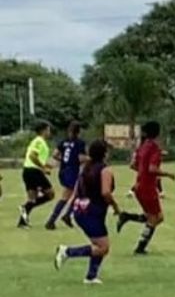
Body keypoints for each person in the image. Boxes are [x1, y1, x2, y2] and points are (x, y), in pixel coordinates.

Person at [54, 140, 120, 284]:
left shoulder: (85, 168)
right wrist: (115, 207)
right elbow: (106, 193)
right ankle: (67, 252)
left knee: (98, 245)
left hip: (82, 210)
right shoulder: (105, 170)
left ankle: (91, 276)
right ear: (104, 153)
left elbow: (77, 191)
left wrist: (68, 212)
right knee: (103, 247)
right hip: (93, 212)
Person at [116, 121, 175, 255]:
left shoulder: (142, 146)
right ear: (158, 133)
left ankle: (126, 216)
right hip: (147, 188)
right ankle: (140, 248)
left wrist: (142, 173)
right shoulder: (154, 148)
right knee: (156, 218)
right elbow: (152, 168)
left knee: (154, 217)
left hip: (139, 186)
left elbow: (132, 165)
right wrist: (167, 174)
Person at [45, 121, 88, 230]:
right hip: (72, 171)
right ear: (79, 131)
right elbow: (81, 158)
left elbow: (55, 155)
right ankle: (56, 219)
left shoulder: (63, 142)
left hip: (63, 171)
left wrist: (64, 161)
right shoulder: (79, 143)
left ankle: (64, 216)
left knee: (77, 193)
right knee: (72, 195)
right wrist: (92, 159)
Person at [18, 121, 55, 229]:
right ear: (43, 130)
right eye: (48, 130)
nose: (49, 132)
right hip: (33, 171)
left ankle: (22, 222)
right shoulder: (39, 141)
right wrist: (43, 168)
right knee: (50, 194)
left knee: (32, 199)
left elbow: (37, 157)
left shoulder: (39, 141)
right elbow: (32, 156)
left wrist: (47, 165)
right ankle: (24, 208)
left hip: (28, 171)